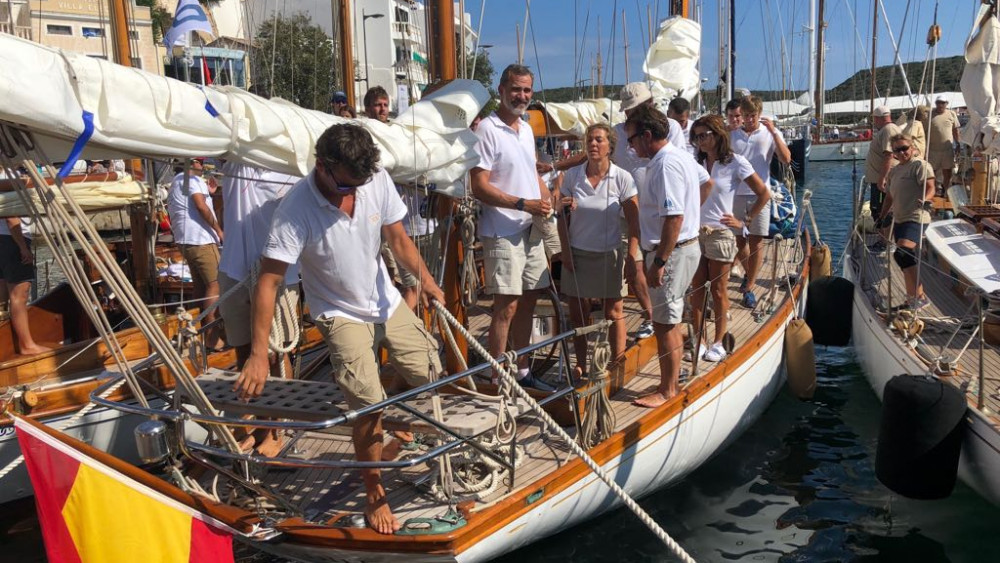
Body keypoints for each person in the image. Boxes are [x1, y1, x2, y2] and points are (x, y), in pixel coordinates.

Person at [235, 123, 444, 535]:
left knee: (431, 371)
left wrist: (429, 284)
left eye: (361, 184)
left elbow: (398, 239)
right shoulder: (295, 210)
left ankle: (397, 425)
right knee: (367, 404)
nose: (355, 192)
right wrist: (259, 355)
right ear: (324, 166)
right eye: (348, 185)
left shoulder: (373, 179)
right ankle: (374, 493)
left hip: (384, 298)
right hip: (339, 311)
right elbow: (269, 281)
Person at [470, 64, 555, 391]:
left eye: (527, 90)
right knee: (506, 307)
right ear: (502, 90)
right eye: (516, 89)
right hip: (503, 231)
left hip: (531, 229)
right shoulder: (487, 130)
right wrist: (523, 203)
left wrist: (546, 196)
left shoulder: (525, 128)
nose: (522, 96)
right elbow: (479, 186)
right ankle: (496, 377)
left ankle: (522, 370)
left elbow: (530, 172)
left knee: (530, 302)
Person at [625, 105, 712, 408]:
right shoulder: (680, 157)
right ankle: (670, 384)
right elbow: (706, 183)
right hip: (683, 248)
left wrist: (659, 262)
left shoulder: (664, 165)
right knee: (669, 321)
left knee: (665, 323)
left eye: (632, 139)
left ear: (647, 135)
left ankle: (667, 390)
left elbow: (673, 217)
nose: (630, 146)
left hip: (671, 254)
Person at [557, 123, 639, 375]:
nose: (593, 144)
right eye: (590, 140)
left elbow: (635, 221)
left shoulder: (622, 178)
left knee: (614, 311)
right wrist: (566, 251)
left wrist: (631, 257)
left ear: (610, 146)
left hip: (610, 253)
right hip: (578, 254)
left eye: (599, 140)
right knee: (578, 314)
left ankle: (617, 361)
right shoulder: (572, 176)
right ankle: (580, 364)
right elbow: (560, 216)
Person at [689, 115, 769, 362]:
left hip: (720, 234)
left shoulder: (735, 162)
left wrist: (744, 221)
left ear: (717, 134)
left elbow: (763, 193)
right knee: (697, 290)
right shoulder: (695, 163)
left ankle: (719, 340)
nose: (700, 141)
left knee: (719, 290)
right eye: (696, 136)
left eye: (704, 135)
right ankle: (700, 339)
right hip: (695, 232)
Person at [613, 82, 686, 341]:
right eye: (633, 110)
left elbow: (679, 165)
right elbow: (595, 156)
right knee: (633, 268)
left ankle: (666, 318)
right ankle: (651, 315)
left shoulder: (671, 129)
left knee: (662, 271)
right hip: (629, 212)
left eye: (644, 106)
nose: (639, 112)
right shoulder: (616, 133)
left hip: (660, 214)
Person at [730, 95, 790, 309]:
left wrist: (774, 131)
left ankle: (749, 287)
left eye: (752, 116)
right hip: (736, 194)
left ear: (759, 113)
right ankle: (749, 274)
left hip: (760, 194)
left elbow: (786, 158)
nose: (748, 120)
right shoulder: (732, 135)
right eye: (745, 116)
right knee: (740, 242)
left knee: (756, 242)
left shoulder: (768, 133)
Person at [166, 158, 225, 350]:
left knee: (201, 285)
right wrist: (218, 230)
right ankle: (213, 337)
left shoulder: (177, 181)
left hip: (185, 240)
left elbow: (192, 202)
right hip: (201, 240)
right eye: (199, 162)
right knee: (215, 285)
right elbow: (200, 205)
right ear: (190, 163)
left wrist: (209, 193)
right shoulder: (193, 180)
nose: (202, 166)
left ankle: (201, 332)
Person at [876, 134, 935, 310]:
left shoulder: (920, 165)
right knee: (903, 257)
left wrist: (925, 199)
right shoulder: (895, 171)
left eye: (904, 148)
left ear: (912, 148)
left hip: (916, 216)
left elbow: (931, 187)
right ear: (893, 153)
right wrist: (882, 216)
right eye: (897, 150)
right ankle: (912, 299)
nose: (901, 152)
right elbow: (890, 197)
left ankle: (920, 297)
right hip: (900, 219)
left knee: (903, 253)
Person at [0, 216, 49, 355]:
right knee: (19, 295)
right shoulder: (10, 192)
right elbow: (10, 216)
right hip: (12, 239)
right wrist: (22, 247)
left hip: (3, 240)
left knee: (2, 296)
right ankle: (27, 346)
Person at [864, 105, 902, 246]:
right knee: (879, 209)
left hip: (882, 181)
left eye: (874, 119)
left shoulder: (888, 130)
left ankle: (884, 241)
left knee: (880, 209)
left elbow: (889, 155)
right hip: (879, 179)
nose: (874, 122)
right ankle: (884, 239)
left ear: (879, 118)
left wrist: (882, 178)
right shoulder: (889, 129)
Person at [928, 95, 960, 194]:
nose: (940, 105)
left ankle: (945, 192)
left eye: (942, 103)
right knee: (930, 173)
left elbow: (955, 130)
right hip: (933, 150)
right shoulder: (929, 115)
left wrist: (958, 144)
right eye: (938, 103)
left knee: (948, 173)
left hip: (948, 150)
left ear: (946, 104)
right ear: (935, 104)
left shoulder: (952, 114)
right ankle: (932, 192)